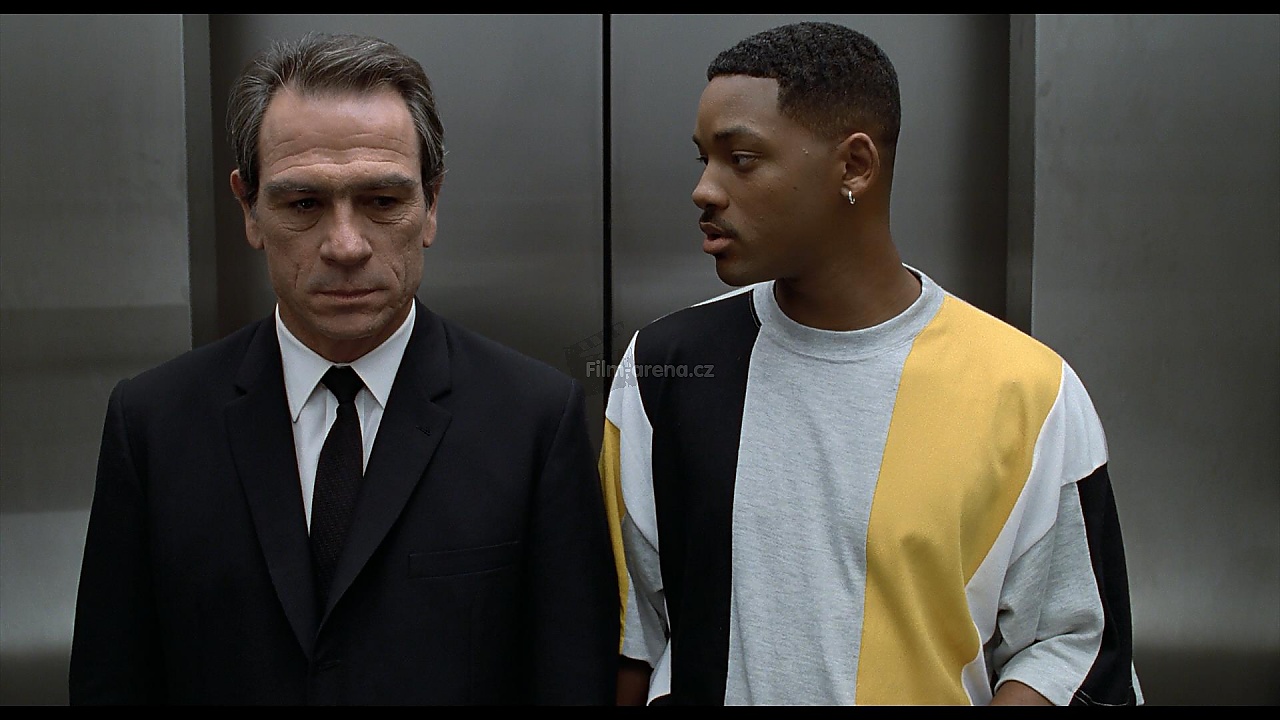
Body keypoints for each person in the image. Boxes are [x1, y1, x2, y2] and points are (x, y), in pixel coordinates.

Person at [600, 21, 1142, 706]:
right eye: (704, 158)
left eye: (741, 158)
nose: (704, 189)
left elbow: (1073, 642)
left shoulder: (1028, 390)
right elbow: (630, 635)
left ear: (855, 166)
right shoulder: (663, 370)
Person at [69, 32, 618, 705]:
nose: (346, 245)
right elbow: (113, 679)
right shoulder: (154, 424)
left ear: (431, 204)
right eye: (303, 204)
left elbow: (570, 679)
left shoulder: (532, 420)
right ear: (248, 209)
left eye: (383, 201)